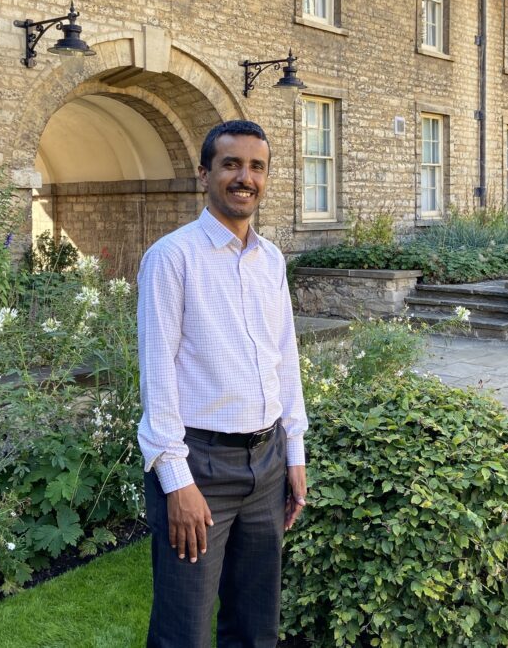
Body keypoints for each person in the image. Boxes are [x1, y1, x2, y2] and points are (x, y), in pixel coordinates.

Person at [137, 120, 308, 648]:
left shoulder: (271, 258)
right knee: (183, 631)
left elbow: (285, 357)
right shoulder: (172, 257)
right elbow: (158, 372)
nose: (244, 177)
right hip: (200, 467)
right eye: (231, 164)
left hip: (267, 461)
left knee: (256, 627)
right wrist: (176, 482)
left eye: (256, 167)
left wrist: (294, 452)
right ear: (205, 174)